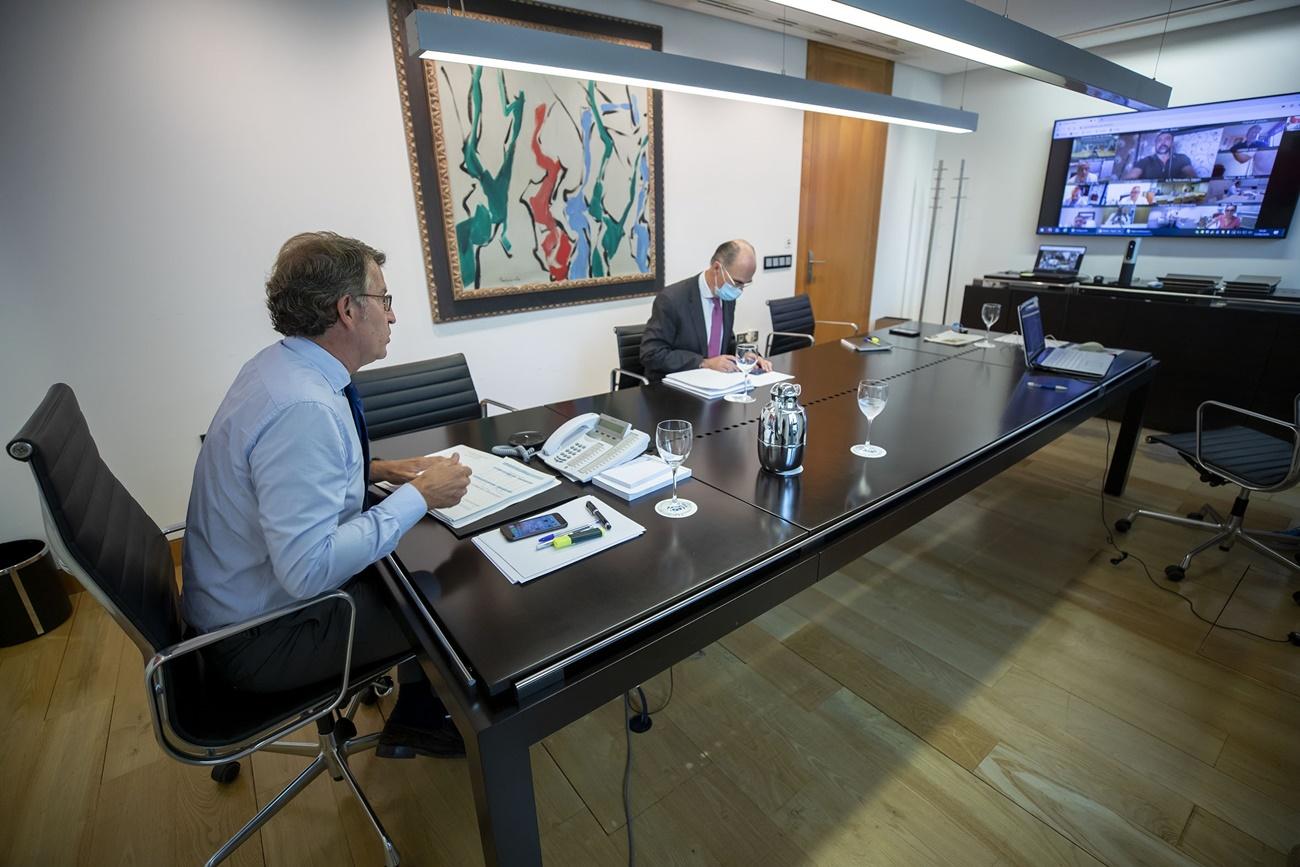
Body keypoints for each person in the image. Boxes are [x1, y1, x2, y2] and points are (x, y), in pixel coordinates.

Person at [182, 231, 474, 759]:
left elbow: (280, 480)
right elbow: (308, 570)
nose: (392, 316)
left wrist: (379, 470)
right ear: (347, 310)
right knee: (441, 593)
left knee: (408, 557)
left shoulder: (281, 369)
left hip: (235, 604)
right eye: (384, 300)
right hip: (259, 640)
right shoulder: (304, 410)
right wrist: (421, 498)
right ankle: (428, 716)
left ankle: (417, 709)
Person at [640, 239, 774, 379]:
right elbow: (651, 353)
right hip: (673, 388)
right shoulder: (672, 299)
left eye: (745, 284)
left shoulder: (727, 297)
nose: (739, 290)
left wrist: (745, 356)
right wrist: (704, 363)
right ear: (717, 268)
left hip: (716, 383)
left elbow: (725, 342)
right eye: (737, 282)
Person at [1126, 130, 1198, 180]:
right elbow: (1129, 179)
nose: (1162, 143)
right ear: (1155, 144)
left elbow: (1193, 177)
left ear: (1172, 143)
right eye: (1159, 140)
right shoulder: (1145, 161)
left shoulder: (1182, 158)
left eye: (1167, 139)